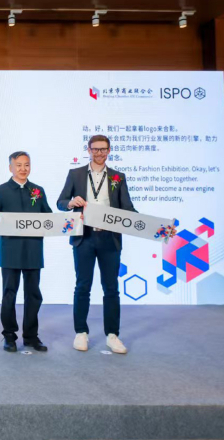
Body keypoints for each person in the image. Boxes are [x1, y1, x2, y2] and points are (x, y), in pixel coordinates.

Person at [57, 135, 135, 354]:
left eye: (103, 149)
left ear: (109, 151)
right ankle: (81, 332)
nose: (99, 153)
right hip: (84, 237)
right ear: (88, 150)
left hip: (110, 238)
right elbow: (61, 202)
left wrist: (151, 226)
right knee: (83, 286)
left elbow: (128, 208)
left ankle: (112, 335)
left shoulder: (118, 177)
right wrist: (71, 203)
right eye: (95, 149)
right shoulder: (76, 174)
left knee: (111, 288)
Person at [0, 151, 51, 353]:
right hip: (10, 250)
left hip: (33, 249)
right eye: (19, 165)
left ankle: (31, 336)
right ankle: (9, 335)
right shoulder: (0, 191)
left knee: (33, 294)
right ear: (11, 167)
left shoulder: (38, 191)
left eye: (27, 165)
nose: (23, 169)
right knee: (9, 293)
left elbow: (48, 217)